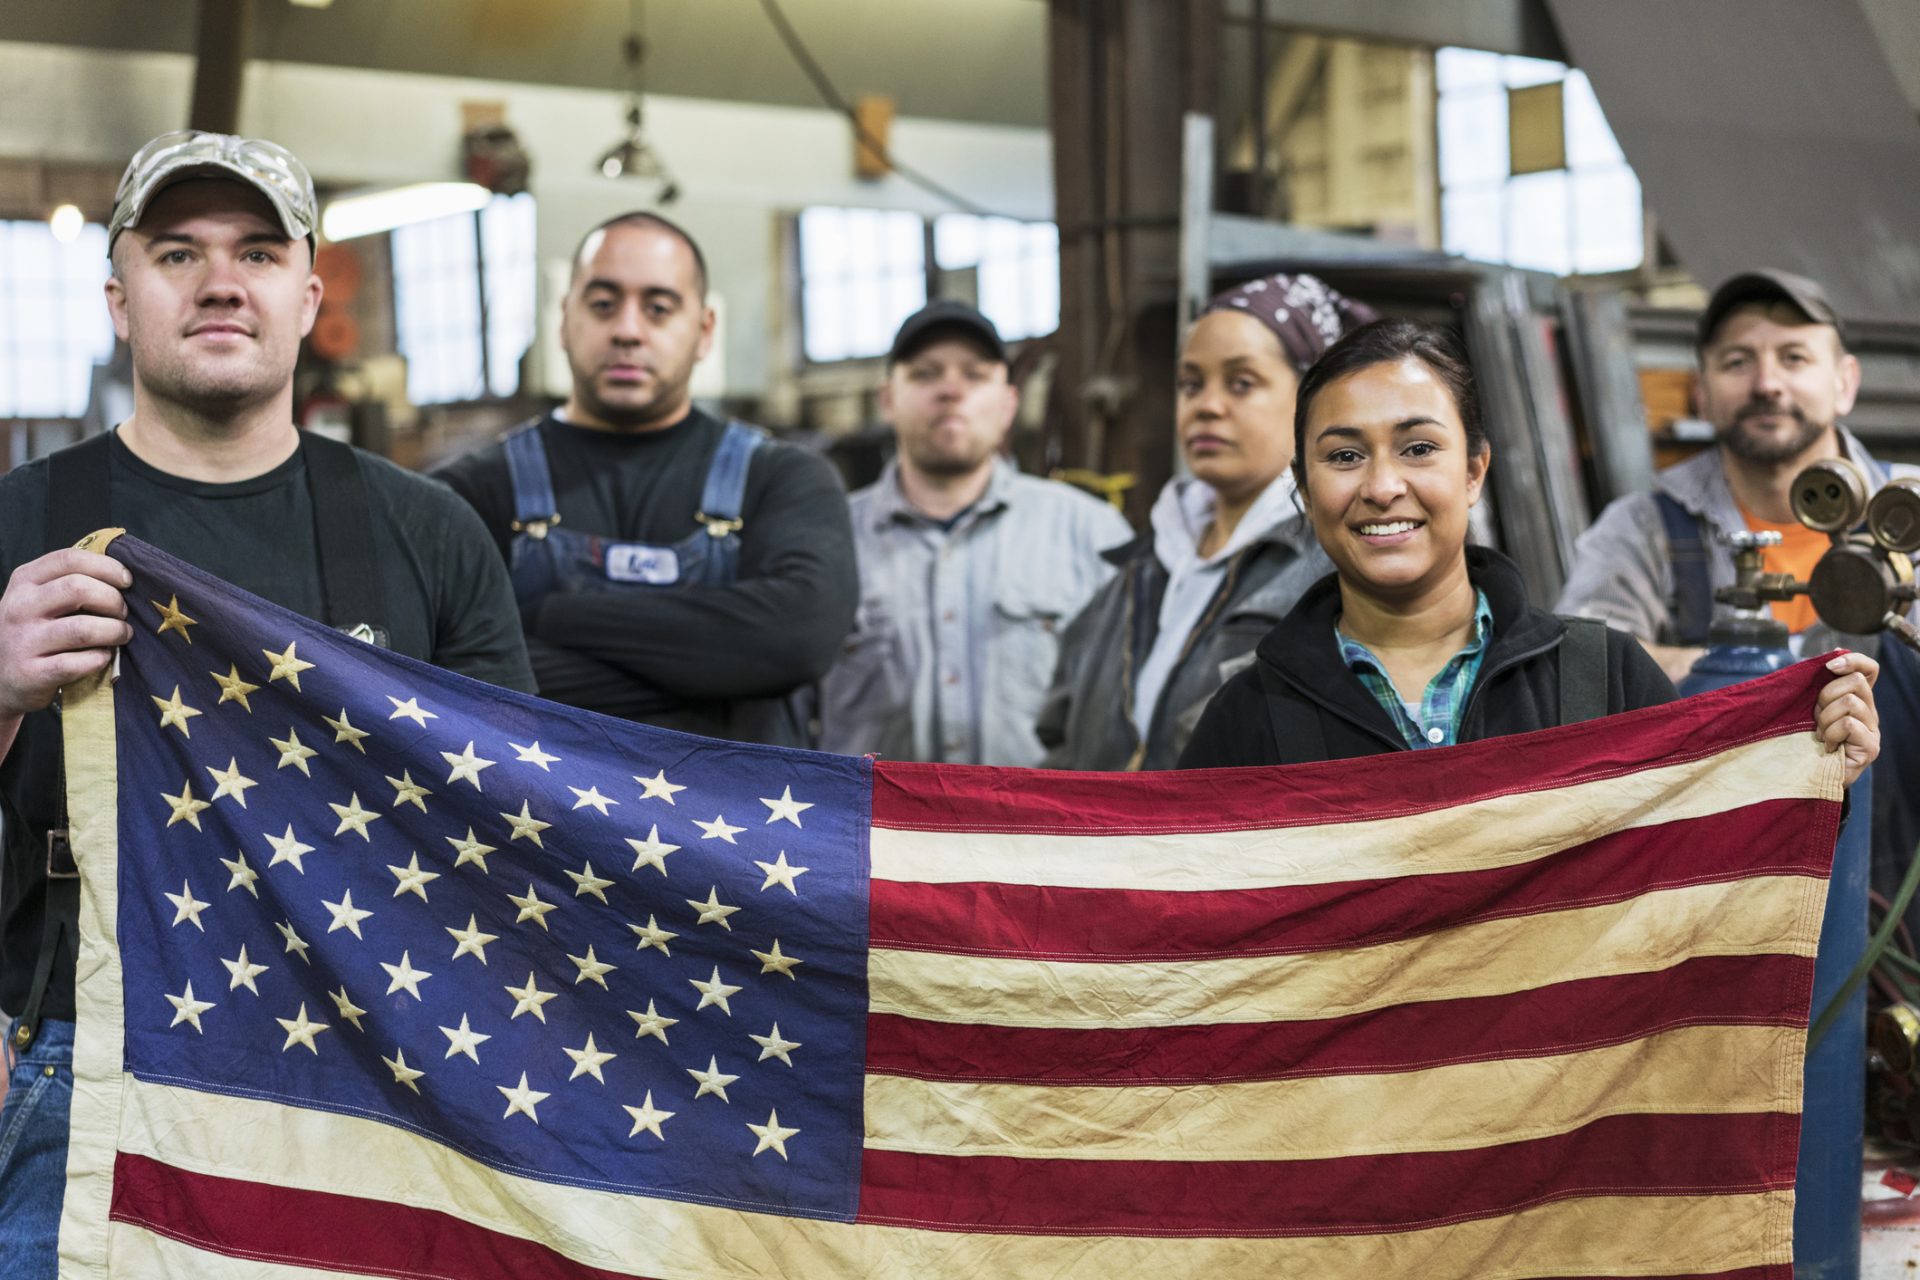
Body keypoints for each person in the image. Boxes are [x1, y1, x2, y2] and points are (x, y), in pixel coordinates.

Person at [0, 130, 534, 1277]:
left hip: (373, 1053)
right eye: (177, 252)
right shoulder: (18, 521)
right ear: (117, 296)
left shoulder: (427, 532)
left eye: (255, 251)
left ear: (308, 294)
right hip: (72, 1058)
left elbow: (509, 836)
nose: (220, 281)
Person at [1177, 318, 1879, 777]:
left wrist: (1819, 779)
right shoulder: (1245, 721)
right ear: (1303, 487)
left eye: (1419, 448)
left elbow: (1708, 879)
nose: (1384, 485)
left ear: (1475, 470)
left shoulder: (1606, 682)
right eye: (1344, 456)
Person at [436, 212, 857, 747]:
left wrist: (545, 616)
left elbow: (797, 639)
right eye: (603, 305)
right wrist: (723, 677)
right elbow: (449, 676)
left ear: (704, 331)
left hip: (736, 827)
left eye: (658, 308)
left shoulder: (784, 479)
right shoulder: (468, 496)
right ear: (565, 319)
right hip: (538, 824)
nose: (628, 330)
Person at [1038, 272, 1374, 769]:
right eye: (1190, 384)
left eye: (1242, 383)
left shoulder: (1336, 573)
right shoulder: (1141, 570)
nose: (1207, 406)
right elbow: (1062, 741)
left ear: (1314, 400)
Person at [1557, 269, 1917, 680]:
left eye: (1794, 357)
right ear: (1701, 396)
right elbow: (1576, 667)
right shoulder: (1642, 528)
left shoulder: (1910, 509)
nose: (1766, 384)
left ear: (1845, 383)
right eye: (1737, 362)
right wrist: (1737, 672)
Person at [817, 301, 1130, 765]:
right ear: (887, 400)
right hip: (871, 834)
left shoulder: (1091, 534)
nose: (950, 390)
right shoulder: (825, 540)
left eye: (975, 375)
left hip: (1039, 832)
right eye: (925, 374)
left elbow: (1127, 707)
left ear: (1008, 403)